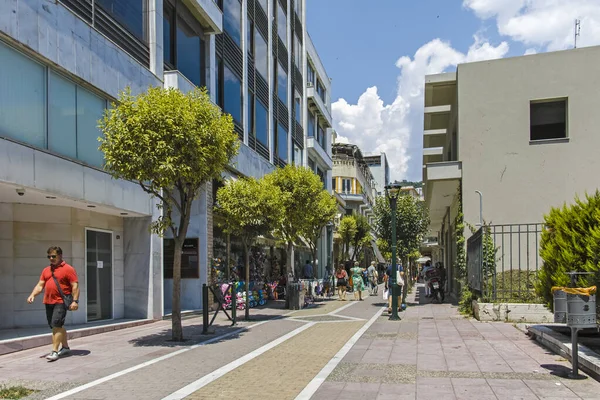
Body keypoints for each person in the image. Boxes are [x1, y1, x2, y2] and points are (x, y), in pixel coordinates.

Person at [27, 246, 79, 362]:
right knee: (56, 326)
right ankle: (65, 347)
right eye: (49, 256)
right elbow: (40, 285)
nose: (51, 258)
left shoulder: (68, 269)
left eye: (53, 256)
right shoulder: (46, 270)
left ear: (60, 255)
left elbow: (75, 286)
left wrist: (75, 301)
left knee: (56, 325)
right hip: (48, 301)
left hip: (60, 301)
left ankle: (54, 351)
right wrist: (32, 295)